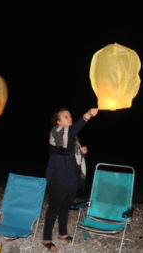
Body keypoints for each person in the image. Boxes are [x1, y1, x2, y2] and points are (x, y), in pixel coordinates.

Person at [42, 107, 98, 251]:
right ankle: (46, 238)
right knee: (54, 207)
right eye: (66, 116)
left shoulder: (72, 137)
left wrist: (81, 153)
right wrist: (87, 115)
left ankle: (62, 233)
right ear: (58, 121)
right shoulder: (56, 133)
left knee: (65, 207)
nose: (70, 118)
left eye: (70, 116)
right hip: (58, 177)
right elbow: (71, 133)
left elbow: (72, 156)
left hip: (72, 178)